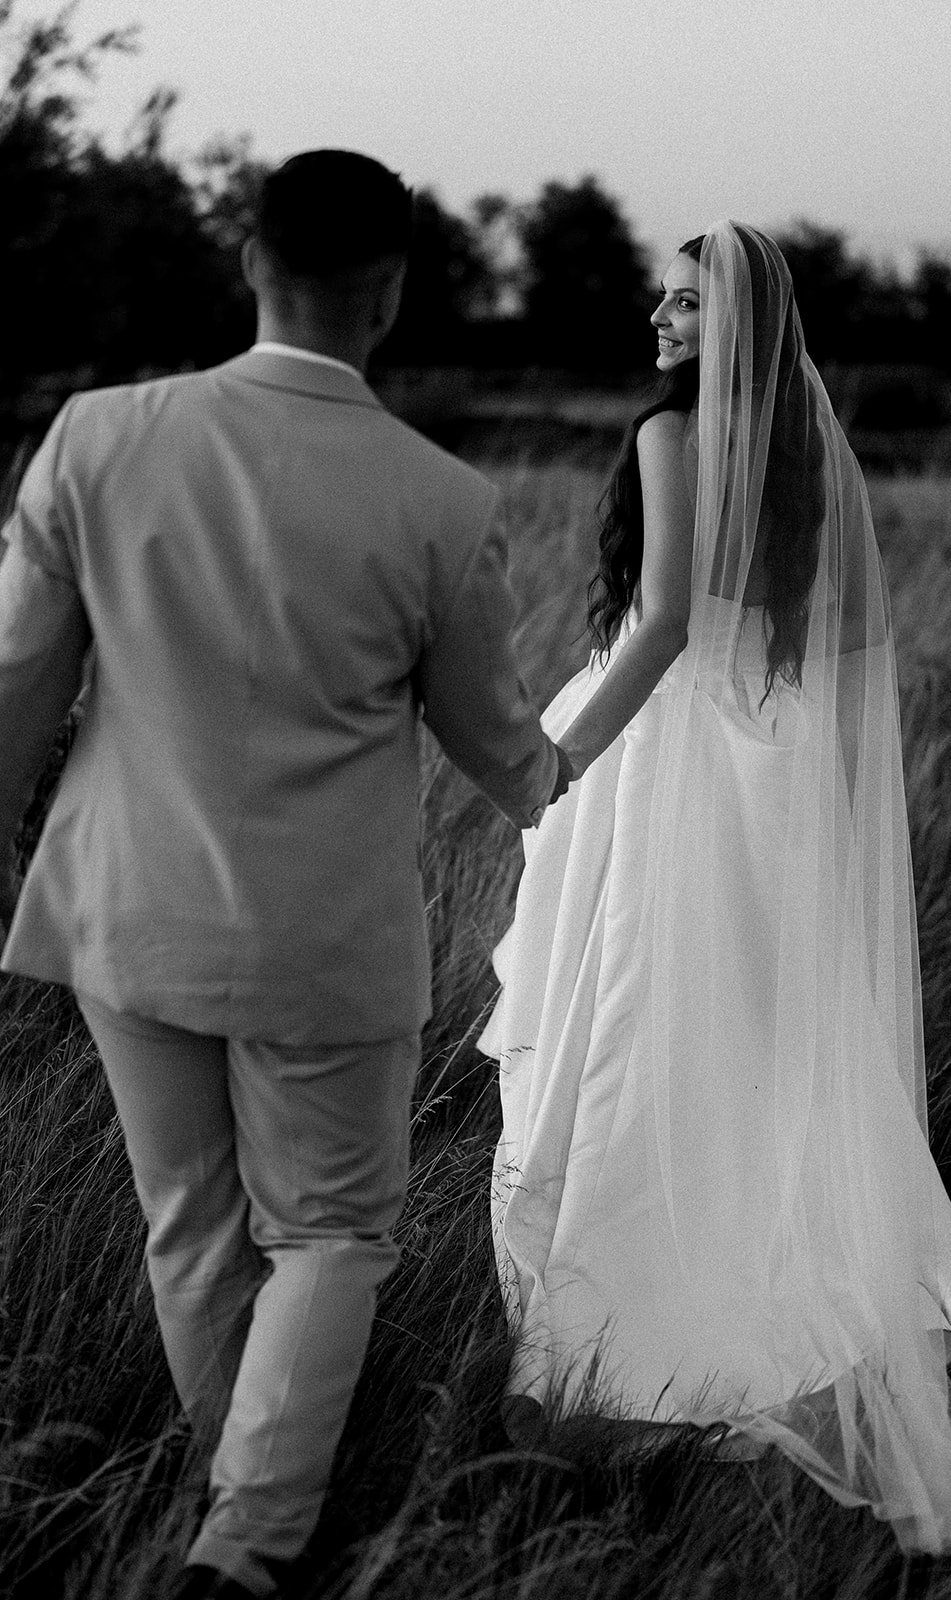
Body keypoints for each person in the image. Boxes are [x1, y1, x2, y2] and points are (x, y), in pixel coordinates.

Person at [0, 149, 571, 1600]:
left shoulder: (95, 439)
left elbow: (13, 681)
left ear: (251, 262)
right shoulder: (441, 500)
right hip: (324, 941)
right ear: (390, 294)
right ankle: (246, 1546)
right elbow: (503, 748)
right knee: (330, 1234)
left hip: (126, 917)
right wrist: (581, 757)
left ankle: (230, 1510)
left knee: (190, 1225)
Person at [480, 221, 951, 1554]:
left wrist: (562, 763)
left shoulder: (672, 434)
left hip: (668, 762)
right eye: (661, 300)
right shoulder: (801, 451)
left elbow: (661, 623)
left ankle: (639, 1335)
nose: (660, 321)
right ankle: (771, 1296)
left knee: (635, 1026)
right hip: (766, 763)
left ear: (738, 327)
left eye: (685, 305)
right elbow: (828, 638)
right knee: (752, 1044)